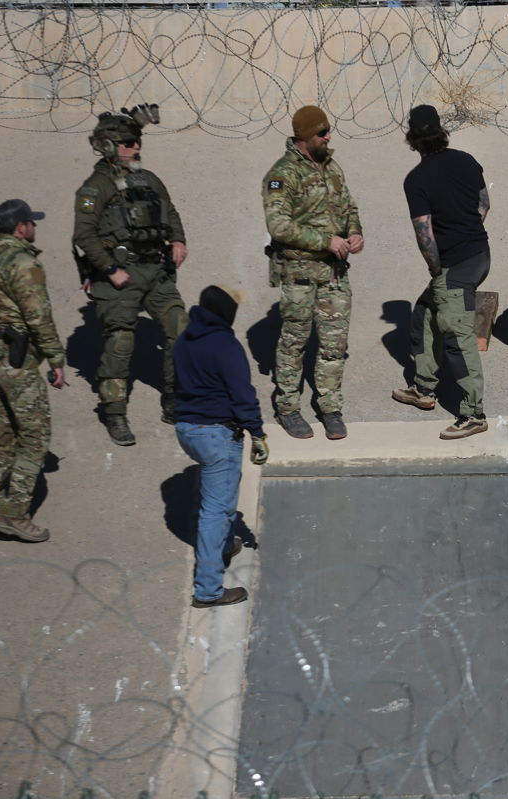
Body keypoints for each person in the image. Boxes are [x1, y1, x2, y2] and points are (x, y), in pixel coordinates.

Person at [73, 109, 189, 447]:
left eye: (138, 141)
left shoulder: (148, 179)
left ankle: (174, 402)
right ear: (109, 146)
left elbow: (171, 211)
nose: (136, 146)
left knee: (181, 328)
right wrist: (110, 268)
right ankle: (115, 414)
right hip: (120, 276)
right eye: (128, 142)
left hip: (156, 272)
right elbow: (85, 235)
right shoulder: (96, 188)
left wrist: (178, 240)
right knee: (121, 343)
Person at [0, 199, 67, 543]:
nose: (34, 228)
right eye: (31, 223)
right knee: (34, 438)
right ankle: (15, 515)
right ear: (21, 227)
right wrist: (55, 360)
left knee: (0, 437)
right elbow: (39, 316)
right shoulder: (25, 263)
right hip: (15, 363)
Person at [263, 105, 364, 440]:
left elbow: (348, 206)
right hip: (301, 273)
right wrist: (326, 241)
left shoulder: (332, 167)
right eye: (322, 133)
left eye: (327, 131)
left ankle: (330, 407)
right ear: (306, 136)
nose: (328, 137)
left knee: (334, 345)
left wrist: (354, 232)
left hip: (335, 273)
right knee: (295, 342)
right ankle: (288, 408)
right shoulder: (282, 174)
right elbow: (279, 226)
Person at [391, 105, 491, 440]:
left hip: (454, 266)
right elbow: (483, 203)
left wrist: (438, 269)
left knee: (457, 339)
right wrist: (468, 232)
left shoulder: (416, 180)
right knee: (424, 313)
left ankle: (474, 413)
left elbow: (425, 237)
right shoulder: (466, 159)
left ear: (412, 139)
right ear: (440, 131)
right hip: (479, 253)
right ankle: (424, 387)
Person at [174, 285, 270, 609]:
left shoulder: (185, 339)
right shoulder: (226, 344)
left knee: (224, 495)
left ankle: (226, 545)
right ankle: (208, 590)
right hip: (217, 434)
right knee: (215, 510)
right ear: (225, 312)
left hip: (188, 430)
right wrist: (257, 433)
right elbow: (243, 394)